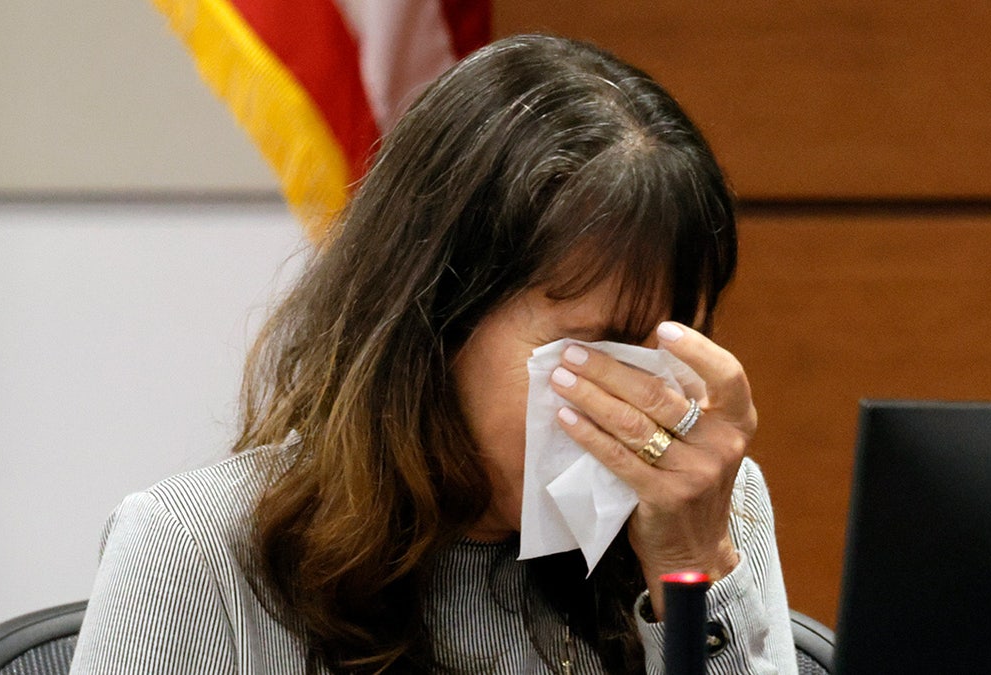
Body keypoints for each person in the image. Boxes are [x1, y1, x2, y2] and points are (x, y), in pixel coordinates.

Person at [70, 34, 796, 674]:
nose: (639, 409)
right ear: (438, 319)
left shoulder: (710, 506)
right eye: (592, 351)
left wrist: (690, 577)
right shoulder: (195, 552)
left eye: (663, 351)